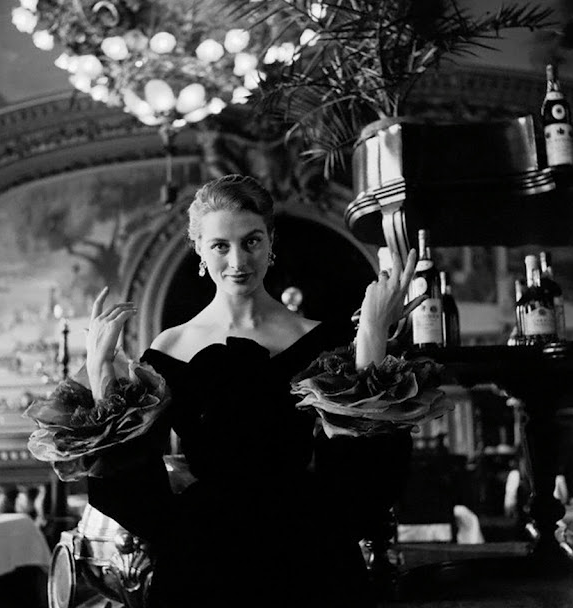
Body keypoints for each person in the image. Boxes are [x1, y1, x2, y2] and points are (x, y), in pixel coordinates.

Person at [30, 175, 426, 607]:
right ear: (199, 249)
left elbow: (363, 476)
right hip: (201, 558)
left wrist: (372, 333)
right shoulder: (169, 347)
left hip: (308, 550)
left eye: (251, 241)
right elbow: (131, 485)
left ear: (270, 242)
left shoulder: (321, 340)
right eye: (221, 245)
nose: (238, 260)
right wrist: (99, 370)